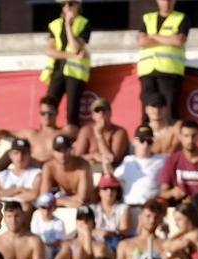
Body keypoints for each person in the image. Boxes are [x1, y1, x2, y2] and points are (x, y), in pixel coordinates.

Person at [137, 0, 189, 122]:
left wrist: (153, 36)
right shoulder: (147, 18)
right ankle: (145, 137)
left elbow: (178, 41)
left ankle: (172, 139)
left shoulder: (181, 18)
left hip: (170, 70)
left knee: (170, 108)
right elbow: (141, 41)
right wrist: (167, 38)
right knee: (147, 108)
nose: (166, 2)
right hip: (148, 70)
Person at [41, 0, 90, 129]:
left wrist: (68, 26)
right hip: (57, 70)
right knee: (49, 105)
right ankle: (47, 134)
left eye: (70, 4)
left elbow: (75, 47)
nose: (67, 7)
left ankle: (71, 138)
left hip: (75, 73)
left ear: (78, 5)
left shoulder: (84, 23)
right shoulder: (55, 24)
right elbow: (50, 51)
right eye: (64, 4)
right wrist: (72, 56)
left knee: (72, 109)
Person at [158, 119, 198, 202]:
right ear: (180, 137)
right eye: (186, 136)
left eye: (193, 136)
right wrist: (172, 193)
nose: (190, 140)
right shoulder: (172, 160)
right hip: (180, 209)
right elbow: (163, 192)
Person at [114, 125, 165, 206]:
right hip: (129, 208)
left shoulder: (162, 160)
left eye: (149, 141)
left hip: (151, 209)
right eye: (142, 140)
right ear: (134, 141)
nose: (145, 145)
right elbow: (113, 180)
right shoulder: (127, 161)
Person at [39, 133, 92, 208]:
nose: (62, 155)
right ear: (53, 152)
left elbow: (82, 198)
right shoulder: (49, 167)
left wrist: (57, 201)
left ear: (71, 149)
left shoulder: (82, 166)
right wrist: (64, 202)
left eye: (65, 150)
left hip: (85, 205)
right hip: (64, 202)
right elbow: (44, 197)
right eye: (59, 151)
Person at [75, 98, 128, 169]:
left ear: (110, 113)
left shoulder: (119, 132)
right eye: (97, 111)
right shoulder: (86, 130)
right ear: (93, 115)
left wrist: (99, 135)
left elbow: (112, 160)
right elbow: (77, 157)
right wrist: (93, 156)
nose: (101, 113)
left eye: (104, 110)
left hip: (112, 172)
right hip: (90, 171)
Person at [0, 137, 41, 206]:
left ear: (30, 154)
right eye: (16, 153)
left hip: (24, 211)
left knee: (26, 205)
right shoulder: (1, 175)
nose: (20, 157)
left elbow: (33, 195)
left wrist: (6, 195)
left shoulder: (37, 174)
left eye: (24, 153)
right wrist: (18, 190)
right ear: (10, 155)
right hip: (4, 211)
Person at [91, 172, 129, 253]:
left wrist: (110, 233)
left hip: (115, 241)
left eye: (112, 188)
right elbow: (85, 229)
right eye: (105, 188)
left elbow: (125, 230)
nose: (109, 191)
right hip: (95, 242)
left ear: (117, 191)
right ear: (99, 191)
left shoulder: (123, 208)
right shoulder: (92, 209)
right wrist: (98, 232)